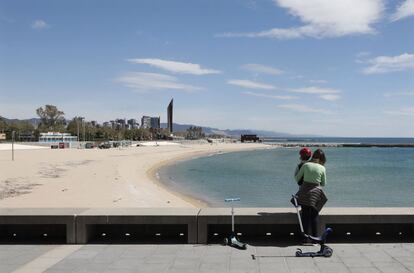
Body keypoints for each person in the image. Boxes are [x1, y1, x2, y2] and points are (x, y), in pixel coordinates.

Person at [294, 149, 328, 241]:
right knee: (314, 215)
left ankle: (305, 240)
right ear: (322, 159)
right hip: (316, 194)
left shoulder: (305, 165)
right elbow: (323, 183)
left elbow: (297, 179)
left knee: (304, 216)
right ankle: (315, 239)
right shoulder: (322, 168)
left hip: (304, 192)